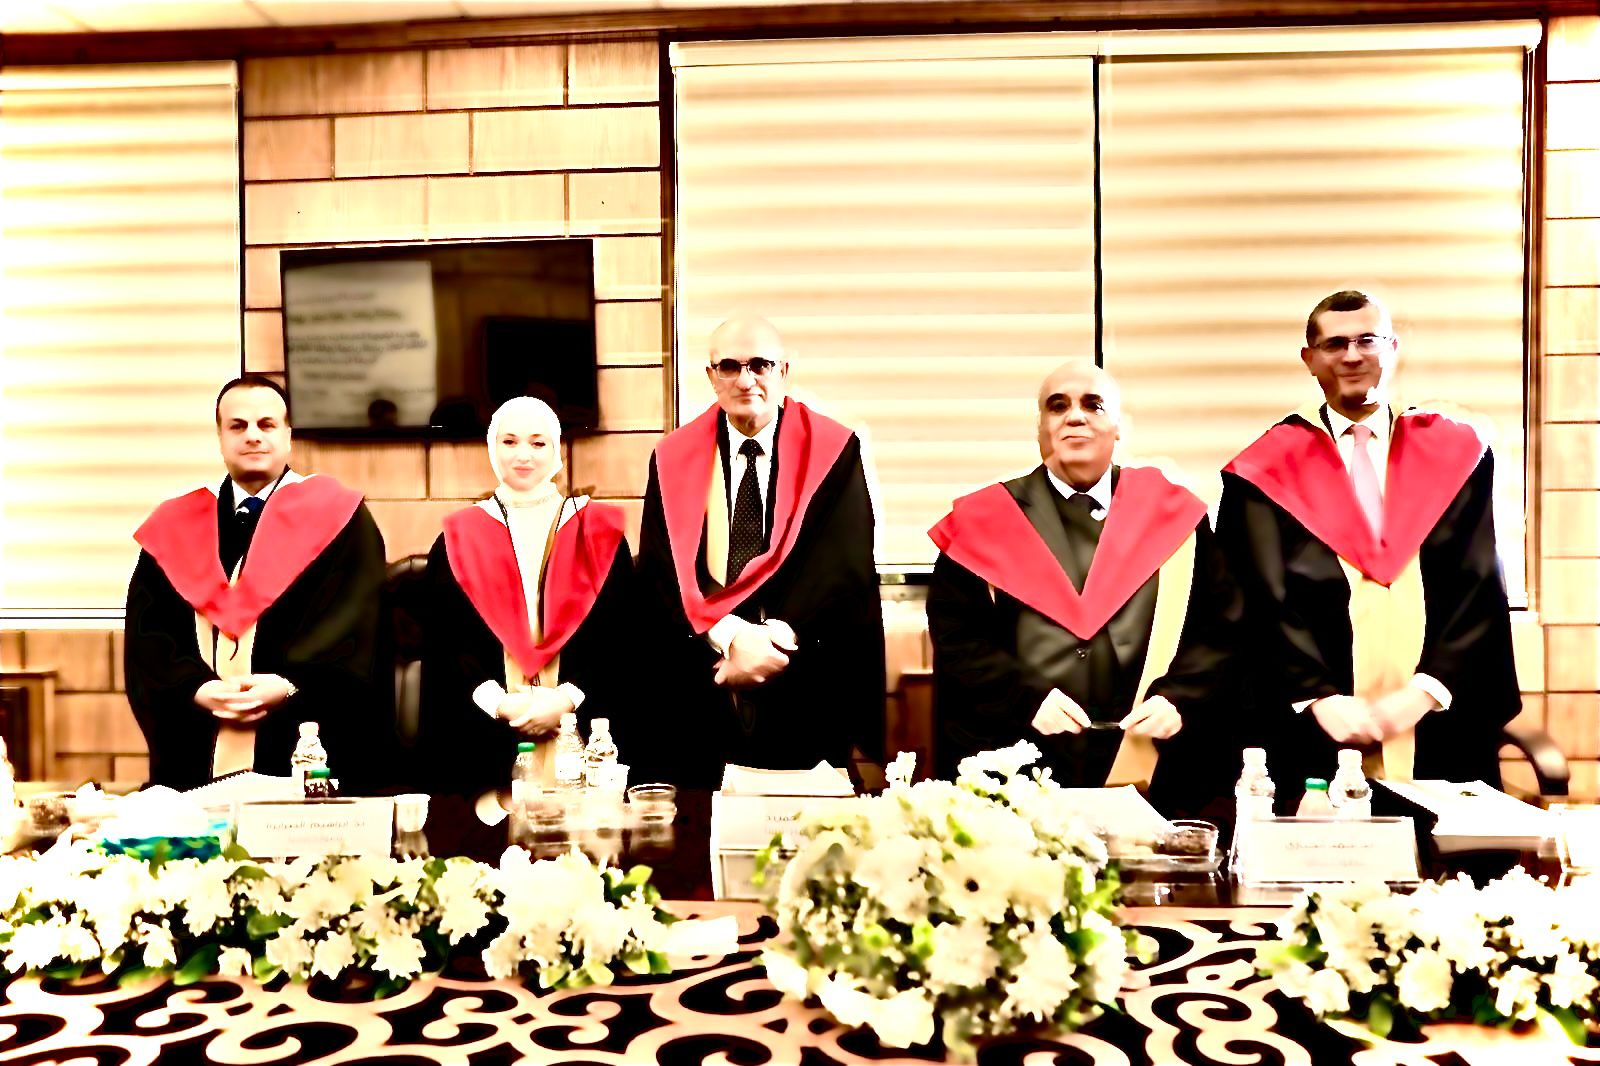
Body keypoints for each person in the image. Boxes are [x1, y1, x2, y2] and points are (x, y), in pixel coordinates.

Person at [1218, 290, 1519, 797]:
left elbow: (1478, 584)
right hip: (1314, 726)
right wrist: (1315, 696)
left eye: (1367, 340)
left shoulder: (1455, 453)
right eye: (1335, 344)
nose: (1353, 355)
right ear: (1309, 359)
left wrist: (1427, 690)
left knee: (1444, 840)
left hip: (1438, 718)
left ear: (1393, 348)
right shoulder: (1264, 470)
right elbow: (1260, 598)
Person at [927, 361, 1241, 811]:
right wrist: (1023, 699)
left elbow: (1220, 627)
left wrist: (1180, 698)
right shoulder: (984, 521)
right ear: (1040, 428)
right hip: (1018, 764)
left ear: (1119, 427)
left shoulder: (1176, 518)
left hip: (1151, 762)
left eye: (1094, 405)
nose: (1075, 416)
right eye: (1058, 406)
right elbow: (959, 637)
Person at [635, 315, 884, 787]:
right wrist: (731, 638)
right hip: (704, 678)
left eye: (760, 365)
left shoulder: (834, 450)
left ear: (783, 371)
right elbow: (661, 568)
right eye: (729, 366)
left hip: (801, 674)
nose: (746, 380)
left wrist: (769, 642)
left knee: (804, 824)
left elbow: (843, 564)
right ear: (711, 376)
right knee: (700, 818)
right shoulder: (672, 458)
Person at [125, 376, 386, 790]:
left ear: (288, 436)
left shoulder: (341, 519)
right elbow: (149, 636)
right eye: (238, 425)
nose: (252, 436)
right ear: (220, 437)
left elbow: (355, 622)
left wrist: (289, 684)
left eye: (266, 424)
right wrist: (195, 688)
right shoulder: (176, 525)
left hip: (299, 736)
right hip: (198, 742)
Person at [421, 397, 633, 794]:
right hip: (485, 732)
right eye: (509, 442)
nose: (523, 455)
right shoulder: (458, 538)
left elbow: (620, 635)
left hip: (583, 722)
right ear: (491, 449)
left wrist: (565, 700)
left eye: (538, 443)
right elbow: (446, 640)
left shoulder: (596, 533)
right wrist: (501, 705)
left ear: (556, 451)